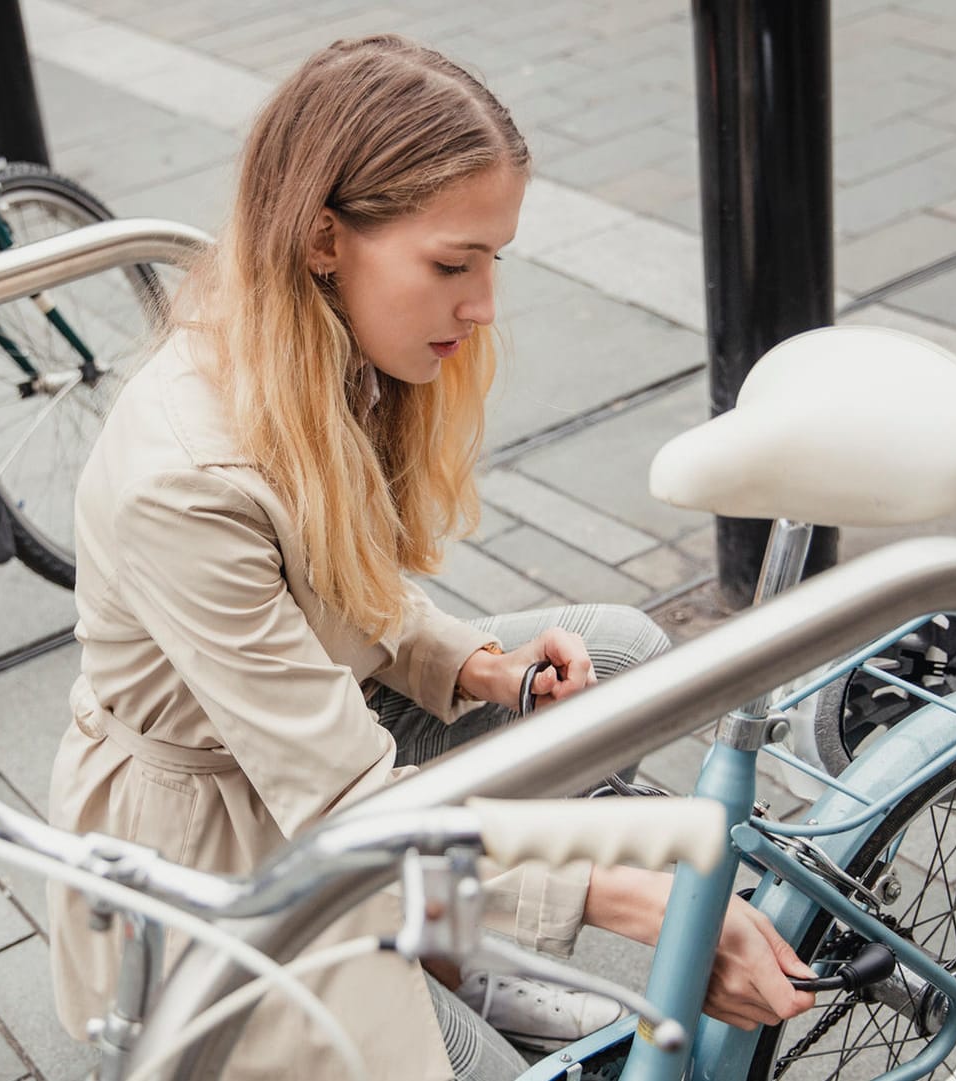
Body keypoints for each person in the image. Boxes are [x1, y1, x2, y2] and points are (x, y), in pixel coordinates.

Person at [46, 34, 816, 1080]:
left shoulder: (321, 349)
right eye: (453, 263)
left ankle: (447, 951)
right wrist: (624, 888)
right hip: (222, 850)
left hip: (317, 752)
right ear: (324, 238)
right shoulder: (186, 480)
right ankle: (437, 962)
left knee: (622, 658)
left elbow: (336, 596)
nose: (483, 304)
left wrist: (472, 666)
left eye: (493, 259)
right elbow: (343, 808)